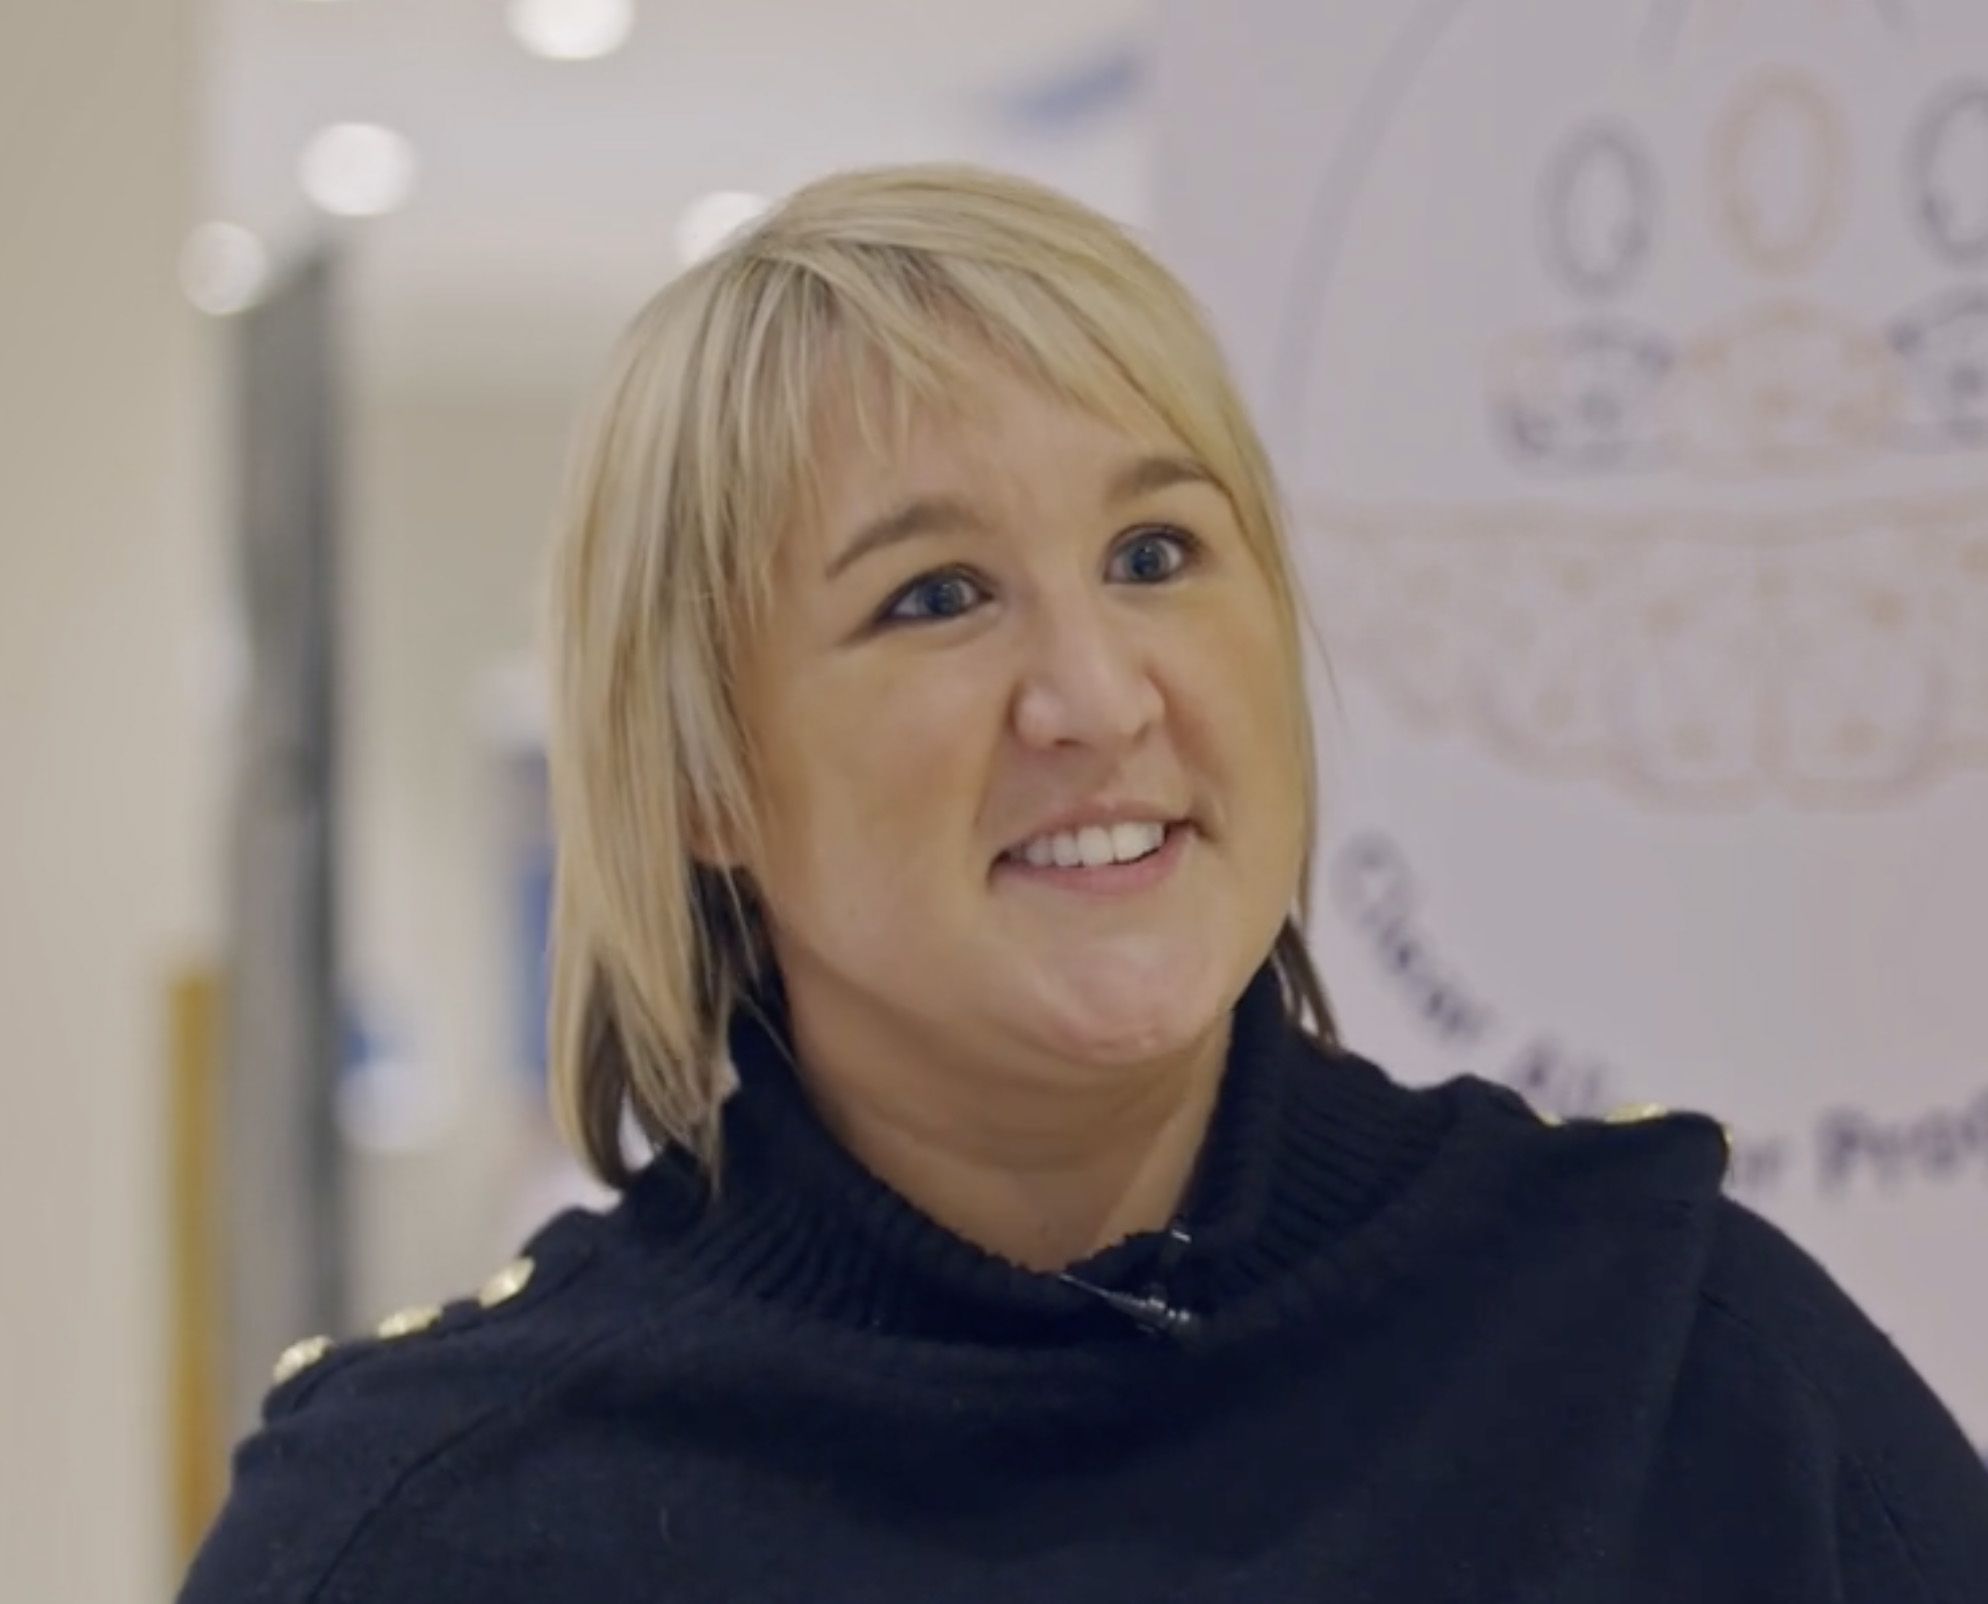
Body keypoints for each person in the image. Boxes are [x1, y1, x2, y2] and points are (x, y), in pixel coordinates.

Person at [178, 164, 1988, 1603]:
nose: (1099, 697)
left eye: (1155, 552)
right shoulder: (434, 1517)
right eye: (937, 596)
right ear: (707, 779)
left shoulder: (1683, 1362)